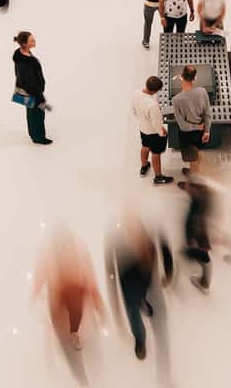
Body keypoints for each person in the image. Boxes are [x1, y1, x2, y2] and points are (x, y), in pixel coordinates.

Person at [105, 211, 173, 366]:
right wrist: (116, 310)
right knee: (133, 312)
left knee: (161, 329)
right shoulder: (117, 242)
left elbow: (165, 249)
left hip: (147, 281)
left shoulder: (151, 231)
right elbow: (111, 272)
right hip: (129, 286)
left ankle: (165, 375)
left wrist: (168, 273)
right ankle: (140, 339)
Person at [32, 226, 105, 354]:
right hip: (59, 291)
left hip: (74, 288)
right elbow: (42, 273)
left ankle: (74, 332)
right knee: (61, 313)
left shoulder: (76, 253)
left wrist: (96, 302)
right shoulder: (50, 256)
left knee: (76, 309)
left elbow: (85, 274)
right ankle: (67, 334)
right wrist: (37, 292)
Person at [13, 31, 52, 145]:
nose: (34, 41)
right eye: (31, 40)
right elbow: (29, 83)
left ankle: (33, 134)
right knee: (38, 115)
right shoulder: (25, 62)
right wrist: (40, 97)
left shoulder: (22, 54)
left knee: (31, 114)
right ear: (24, 44)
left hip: (31, 92)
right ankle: (39, 138)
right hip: (33, 93)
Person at [133, 76, 173, 184]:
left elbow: (133, 110)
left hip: (143, 128)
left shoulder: (136, 93)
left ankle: (144, 166)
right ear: (155, 91)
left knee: (145, 147)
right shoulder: (152, 105)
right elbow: (156, 123)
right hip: (154, 133)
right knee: (156, 153)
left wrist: (143, 118)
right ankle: (158, 177)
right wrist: (162, 132)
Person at [172, 65, 211, 175]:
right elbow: (208, 114)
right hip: (201, 131)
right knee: (197, 153)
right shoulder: (203, 91)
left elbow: (182, 125)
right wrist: (206, 131)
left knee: (192, 159)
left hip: (188, 134)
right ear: (195, 78)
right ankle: (195, 171)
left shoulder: (176, 100)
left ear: (182, 77)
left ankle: (194, 183)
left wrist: (195, 127)